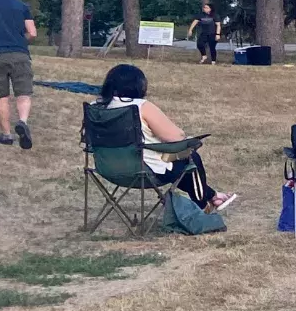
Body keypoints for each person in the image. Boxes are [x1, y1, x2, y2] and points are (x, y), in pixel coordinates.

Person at [98, 63, 238, 214]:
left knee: (178, 165)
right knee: (190, 159)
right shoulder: (141, 106)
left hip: (107, 169)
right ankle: (203, 207)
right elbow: (176, 137)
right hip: (143, 171)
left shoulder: (97, 107)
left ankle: (214, 196)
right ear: (139, 86)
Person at [0, 0, 36, 149]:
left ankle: (7, 135)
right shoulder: (21, 6)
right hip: (20, 54)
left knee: (2, 96)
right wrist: (19, 39)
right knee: (23, 93)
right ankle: (22, 122)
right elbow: (32, 33)